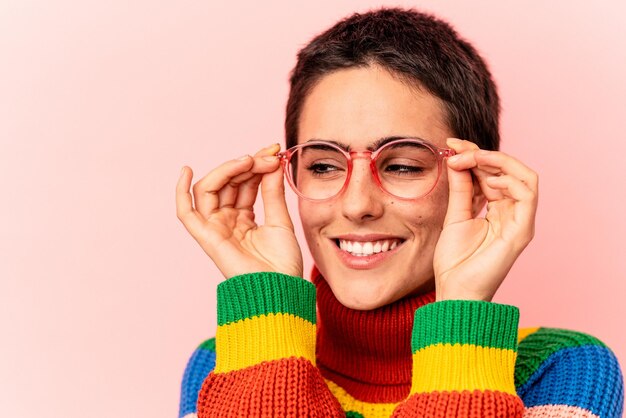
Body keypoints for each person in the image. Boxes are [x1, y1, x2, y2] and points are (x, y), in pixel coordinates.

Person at [175, 7, 623, 418]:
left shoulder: (563, 370)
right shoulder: (228, 361)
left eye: (404, 165)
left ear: (481, 181)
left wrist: (461, 315)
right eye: (324, 166)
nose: (357, 205)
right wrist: (264, 304)